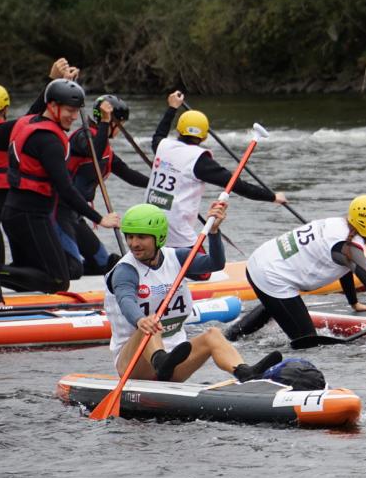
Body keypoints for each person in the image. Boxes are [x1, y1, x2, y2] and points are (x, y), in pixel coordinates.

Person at [227, 194, 366, 347]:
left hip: (261, 260)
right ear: (365, 226)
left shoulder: (343, 228)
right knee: (309, 343)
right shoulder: (346, 246)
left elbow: (345, 268)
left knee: (276, 306)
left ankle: (230, 338)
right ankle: (231, 341)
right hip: (270, 273)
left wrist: (353, 303)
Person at [105, 202, 281, 382]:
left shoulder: (176, 258)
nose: (133, 243)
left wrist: (213, 233)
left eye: (141, 237)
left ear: (158, 237)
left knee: (213, 334)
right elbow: (125, 299)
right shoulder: (125, 271)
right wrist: (140, 319)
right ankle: (160, 360)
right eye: (130, 237)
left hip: (175, 359)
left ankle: (245, 373)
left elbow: (215, 264)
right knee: (151, 322)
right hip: (133, 364)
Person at [2, 78, 120, 292]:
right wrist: (100, 219)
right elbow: (65, 189)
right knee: (58, 280)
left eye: (77, 111)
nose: (74, 117)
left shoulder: (26, 123)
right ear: (53, 106)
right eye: (69, 110)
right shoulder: (49, 141)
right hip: (31, 215)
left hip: (16, 213)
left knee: (27, 272)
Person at [147, 90, 287, 250]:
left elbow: (159, 134)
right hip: (177, 234)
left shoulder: (162, 146)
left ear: (178, 130)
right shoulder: (200, 161)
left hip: (148, 224)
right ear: (205, 137)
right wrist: (272, 196)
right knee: (203, 274)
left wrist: (172, 108)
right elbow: (236, 185)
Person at [0, 59, 78, 271]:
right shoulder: (6, 129)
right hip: (14, 197)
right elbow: (32, 119)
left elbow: (31, 120)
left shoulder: (6, 129)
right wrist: (54, 85)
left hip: (14, 199)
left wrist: (56, 86)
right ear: (5, 108)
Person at [56, 94, 149, 277]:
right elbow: (94, 152)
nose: (120, 130)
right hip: (58, 211)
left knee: (102, 264)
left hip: (76, 213)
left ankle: (68, 272)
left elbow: (129, 175)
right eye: (120, 124)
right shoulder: (83, 136)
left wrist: (157, 184)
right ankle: (58, 271)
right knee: (74, 269)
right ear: (112, 121)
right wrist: (106, 122)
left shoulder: (106, 148)